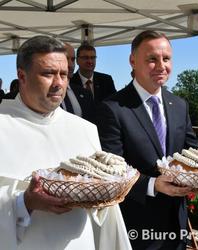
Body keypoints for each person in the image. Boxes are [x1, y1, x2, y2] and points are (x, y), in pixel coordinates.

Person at [0, 35, 131, 250]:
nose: (58, 83)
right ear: (22, 76)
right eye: (48, 74)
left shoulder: (85, 130)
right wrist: (25, 202)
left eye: (64, 74)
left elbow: (105, 213)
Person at [98, 30, 198, 250]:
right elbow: (113, 169)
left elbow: (193, 152)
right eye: (152, 59)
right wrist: (153, 185)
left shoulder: (179, 105)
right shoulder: (112, 108)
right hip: (137, 223)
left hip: (176, 222)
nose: (161, 66)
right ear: (133, 61)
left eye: (166, 58)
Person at [62, 43, 96, 123]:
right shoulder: (46, 92)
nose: (70, 65)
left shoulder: (84, 93)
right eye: (66, 59)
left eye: (72, 59)